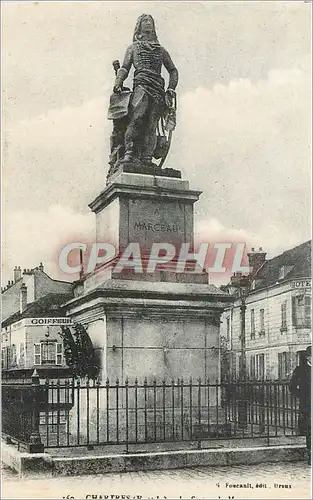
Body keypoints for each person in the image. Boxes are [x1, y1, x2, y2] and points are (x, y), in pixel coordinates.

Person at [113, 14, 178, 166]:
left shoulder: (161, 51)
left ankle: (147, 158)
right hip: (141, 85)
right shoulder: (133, 48)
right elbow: (124, 67)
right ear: (139, 26)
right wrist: (118, 81)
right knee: (137, 118)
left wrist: (170, 88)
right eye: (145, 21)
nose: (148, 23)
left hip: (157, 88)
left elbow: (173, 70)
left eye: (150, 21)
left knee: (152, 124)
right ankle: (129, 153)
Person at [289, 345, 311, 465]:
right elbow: (292, 387)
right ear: (308, 357)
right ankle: (310, 456)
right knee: (310, 431)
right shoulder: (300, 370)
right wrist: (302, 396)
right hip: (307, 406)